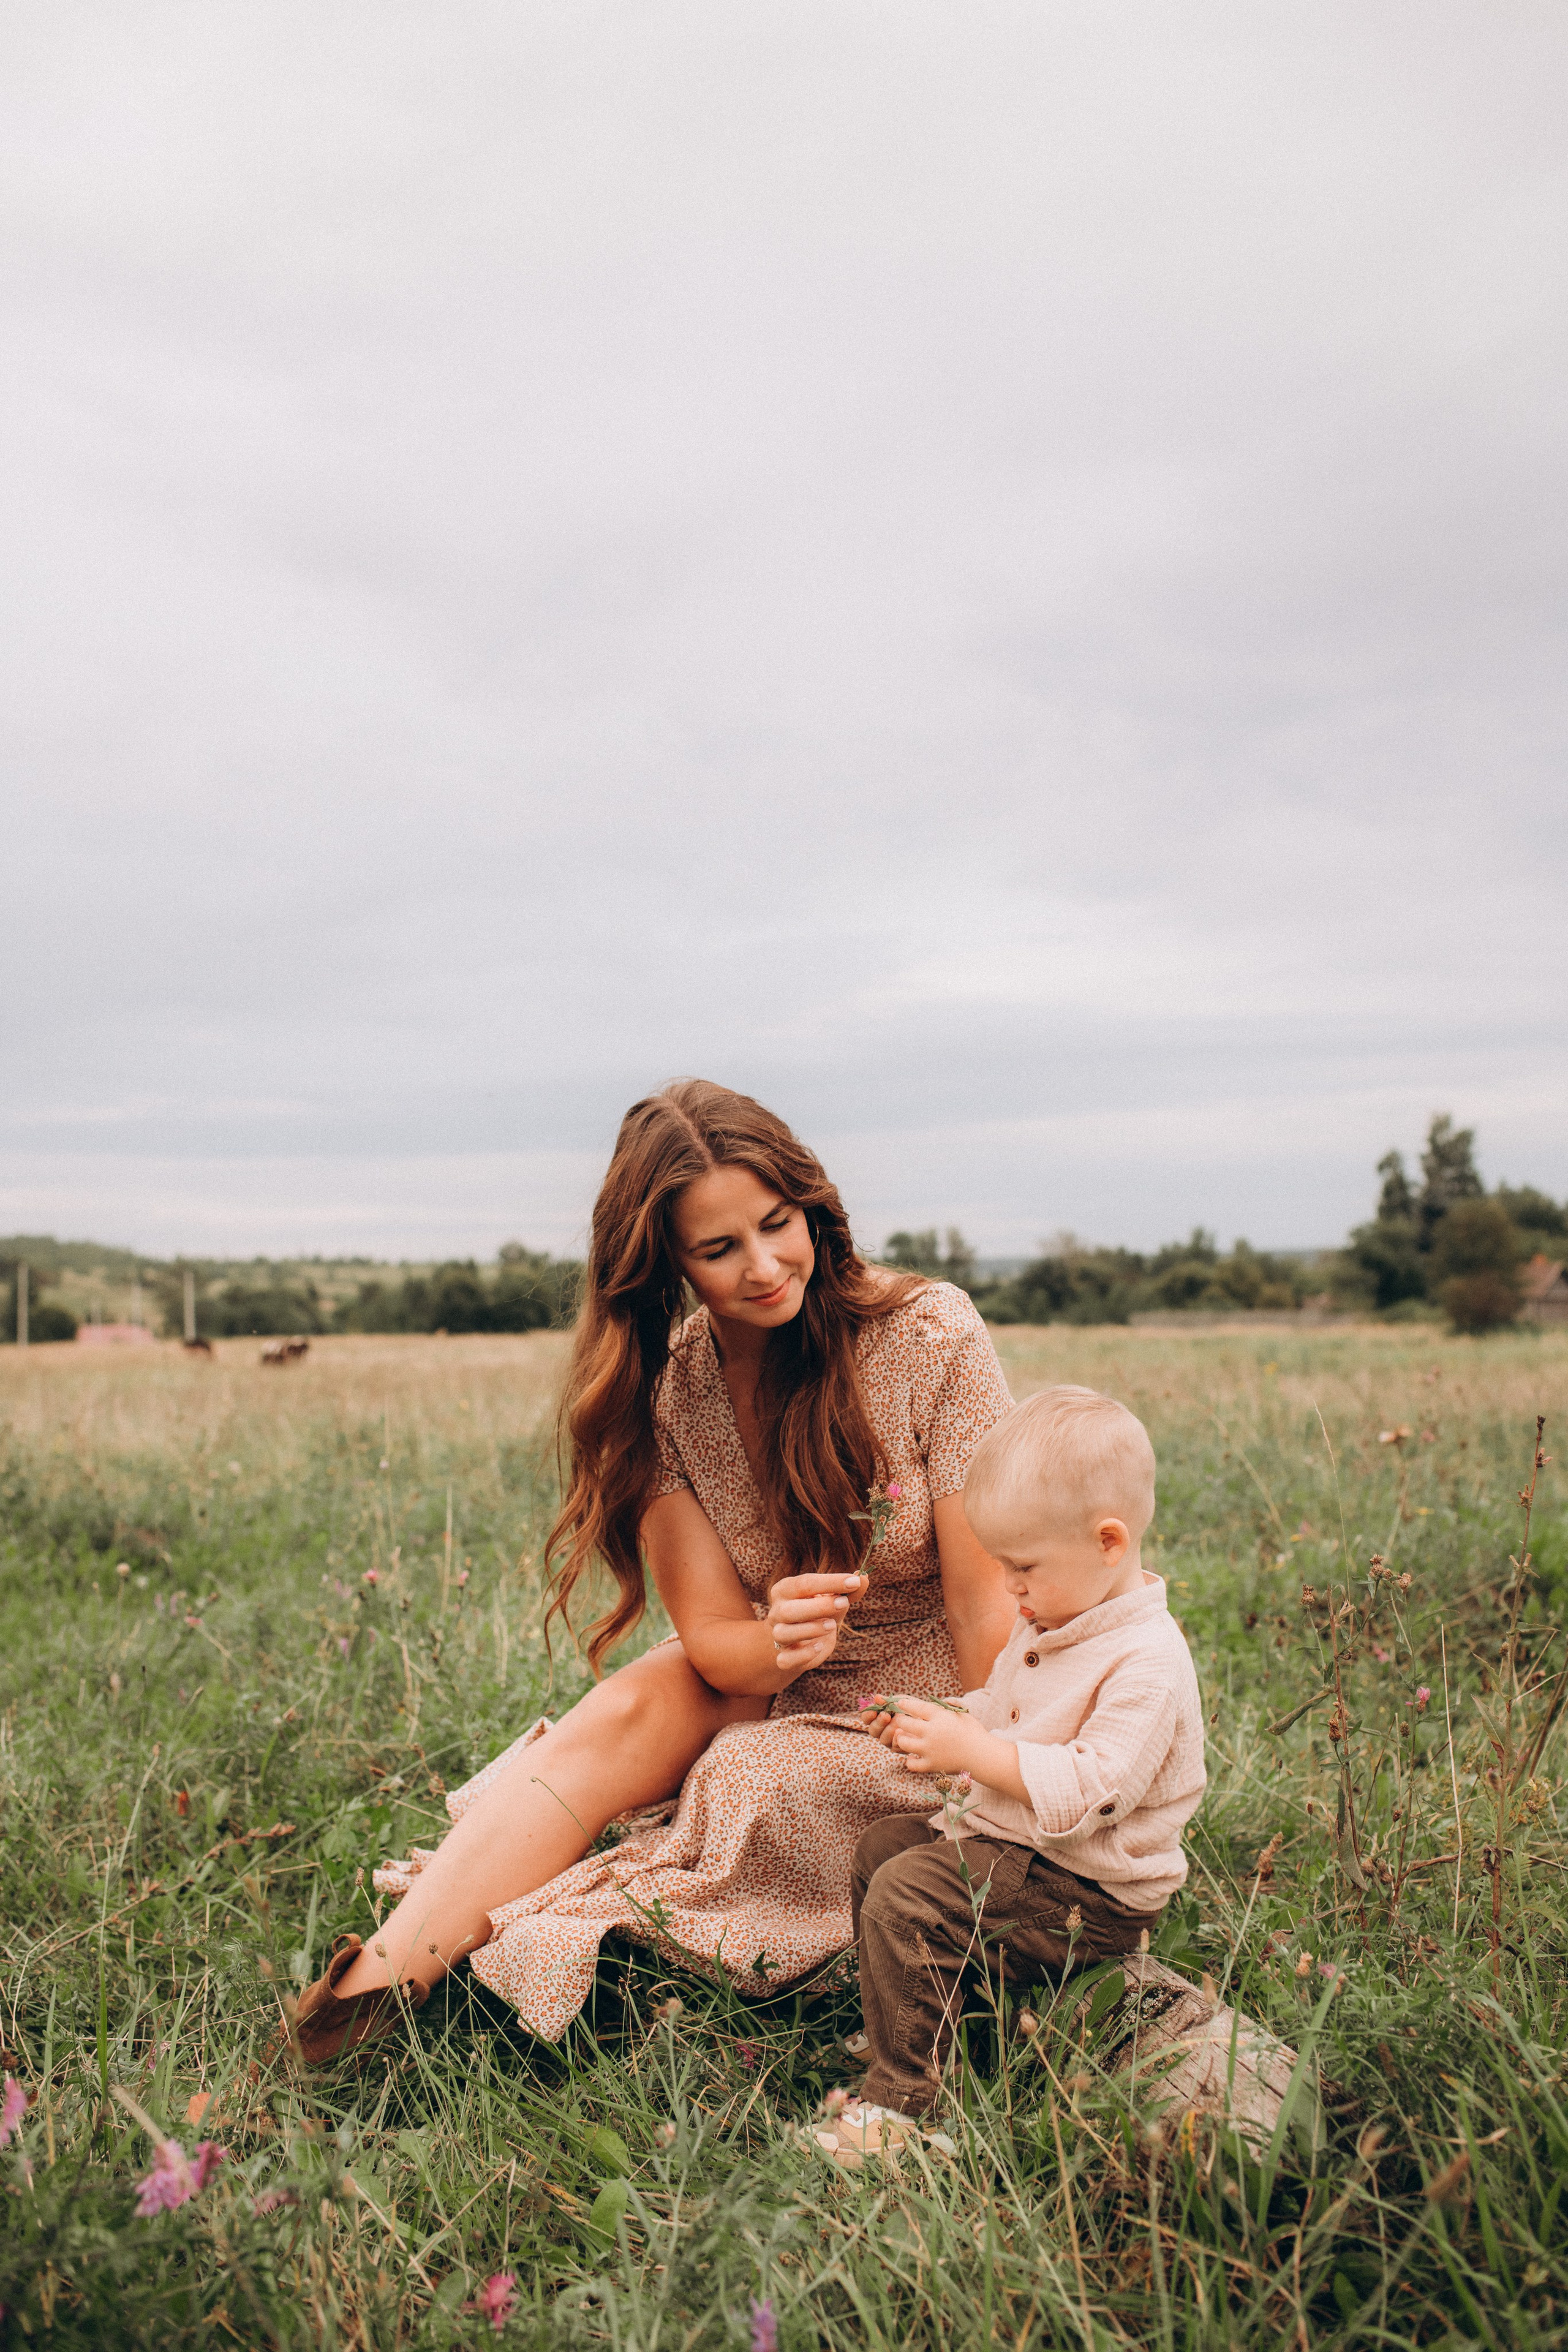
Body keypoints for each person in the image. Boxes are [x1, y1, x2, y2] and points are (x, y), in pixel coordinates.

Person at [293, 1079, 1017, 2062]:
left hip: (944, 1702)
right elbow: (717, 1643)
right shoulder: (671, 1388)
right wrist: (778, 1640)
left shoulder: (929, 1335)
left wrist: (1002, 1781)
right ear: (665, 1262)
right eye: (720, 1250)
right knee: (632, 1704)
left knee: (751, 1774)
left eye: (777, 1223)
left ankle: (614, 1950)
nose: (765, 1266)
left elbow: (992, 1616)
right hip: (777, 1678)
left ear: (814, 1205)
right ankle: (370, 1993)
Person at [824, 1384, 1205, 2154]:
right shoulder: (1054, 1622)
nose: (1009, 1588)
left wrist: (977, 1756)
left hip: (1088, 1891)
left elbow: (1097, 1790)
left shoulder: (1146, 1659)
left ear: (1108, 1542)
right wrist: (941, 1718)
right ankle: (921, 2030)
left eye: (1024, 1566)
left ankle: (907, 2113)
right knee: (884, 1851)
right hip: (1031, 1856)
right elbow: (1004, 1718)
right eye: (1001, 1565)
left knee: (910, 1894)